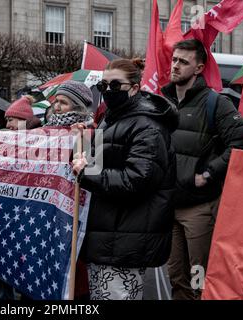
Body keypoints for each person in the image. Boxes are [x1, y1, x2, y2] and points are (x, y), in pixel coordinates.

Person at [72, 58, 178, 300]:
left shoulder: (148, 126)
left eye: (115, 85)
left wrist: (86, 173)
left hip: (126, 238)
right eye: (103, 86)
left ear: (134, 88)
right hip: (106, 234)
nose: (108, 91)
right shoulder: (110, 119)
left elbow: (136, 180)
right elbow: (97, 161)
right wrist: (84, 139)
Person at [160, 39, 243, 300]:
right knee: (177, 276)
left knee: (199, 277)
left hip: (200, 209)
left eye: (183, 62)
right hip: (170, 205)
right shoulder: (164, 102)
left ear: (199, 68)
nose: (175, 66)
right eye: (174, 59)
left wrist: (209, 173)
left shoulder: (216, 103)